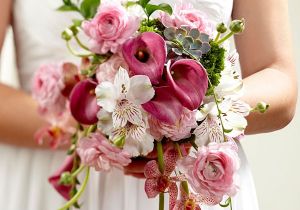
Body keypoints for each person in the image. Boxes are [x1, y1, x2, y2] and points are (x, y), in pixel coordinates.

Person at [0, 0, 297, 209]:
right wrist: (101, 126)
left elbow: (281, 80)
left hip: (191, 180)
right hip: (55, 184)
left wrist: (190, 120)